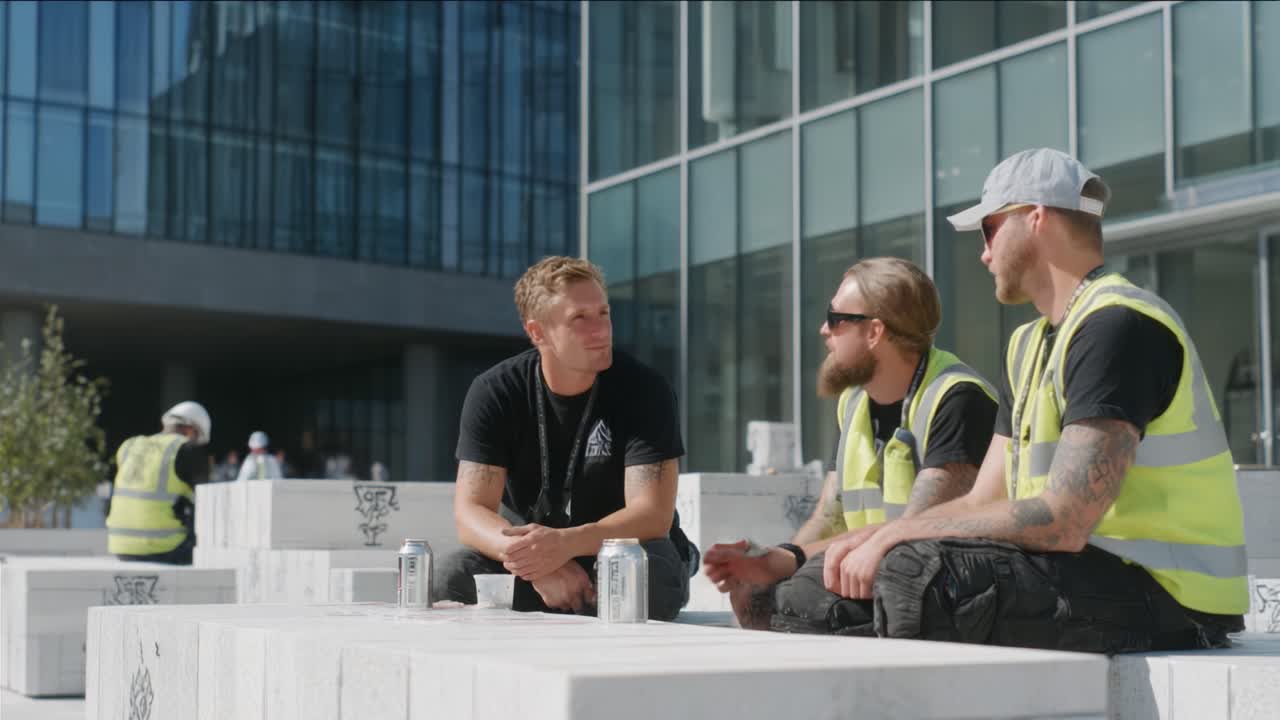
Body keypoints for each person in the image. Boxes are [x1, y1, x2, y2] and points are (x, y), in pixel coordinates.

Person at [808, 148, 1247, 653]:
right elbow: (981, 500)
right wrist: (890, 533)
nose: (984, 253)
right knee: (806, 589)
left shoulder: (1116, 326)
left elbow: (1065, 518)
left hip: (1168, 594)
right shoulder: (1028, 344)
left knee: (914, 575)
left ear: (1035, 218)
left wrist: (901, 539)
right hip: (1080, 571)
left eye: (989, 229)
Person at [702, 257, 998, 632]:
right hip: (864, 568)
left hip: (935, 584)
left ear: (874, 331)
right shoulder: (855, 402)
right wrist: (775, 559)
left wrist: (787, 562)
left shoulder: (956, 398)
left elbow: (917, 528)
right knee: (755, 593)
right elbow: (830, 517)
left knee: (798, 605)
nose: (824, 329)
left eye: (836, 318)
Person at [434, 256, 694, 620]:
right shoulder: (496, 391)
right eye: (579, 319)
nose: (601, 330)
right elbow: (470, 512)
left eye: (603, 313)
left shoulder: (645, 389)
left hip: (616, 550)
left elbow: (651, 514)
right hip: (536, 562)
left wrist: (564, 545)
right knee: (452, 577)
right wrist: (538, 565)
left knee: (652, 578)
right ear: (538, 332)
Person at [104, 401, 212, 565]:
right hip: (166, 548)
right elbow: (207, 499)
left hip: (121, 547)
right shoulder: (185, 449)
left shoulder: (129, 445)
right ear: (191, 431)